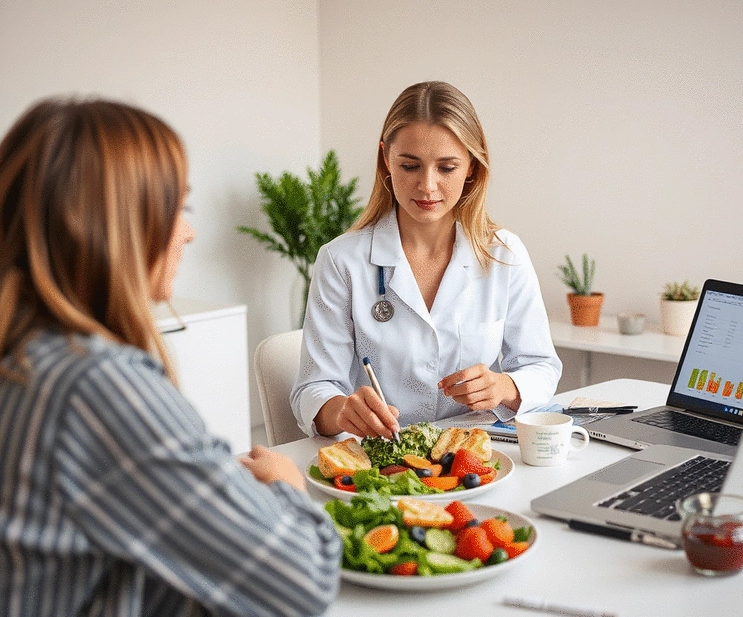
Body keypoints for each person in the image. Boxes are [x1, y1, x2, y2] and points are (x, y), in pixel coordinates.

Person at [0, 98, 340, 616]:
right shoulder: (100, 386)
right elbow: (304, 581)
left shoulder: (27, 357)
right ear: (115, 225)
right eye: (179, 208)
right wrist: (289, 487)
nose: (189, 231)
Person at [292, 81, 562, 439]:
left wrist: (504, 387)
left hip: (470, 454)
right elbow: (313, 390)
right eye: (410, 166)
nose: (427, 186)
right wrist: (342, 411)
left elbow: (541, 366)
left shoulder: (503, 254)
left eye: (446, 168)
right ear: (385, 159)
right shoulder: (341, 262)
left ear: (471, 168)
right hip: (381, 460)